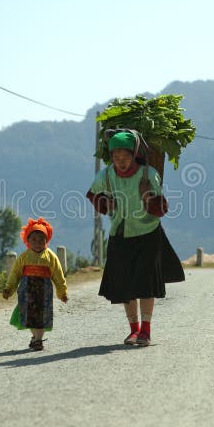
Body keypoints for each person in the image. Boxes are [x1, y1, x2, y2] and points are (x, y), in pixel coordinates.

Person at [86, 130, 185, 346]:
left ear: (134, 155)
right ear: (111, 157)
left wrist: (145, 195)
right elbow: (93, 194)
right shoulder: (106, 176)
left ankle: (146, 331)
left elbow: (161, 209)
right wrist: (106, 203)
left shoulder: (148, 175)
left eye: (125, 158)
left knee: (145, 283)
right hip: (120, 235)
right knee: (126, 285)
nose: (120, 162)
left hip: (148, 234)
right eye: (116, 158)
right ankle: (133, 330)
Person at [2, 217, 68, 351]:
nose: (38, 243)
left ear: (46, 240)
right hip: (27, 291)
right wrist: (9, 289)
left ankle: (38, 340)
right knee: (29, 314)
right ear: (28, 241)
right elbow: (15, 274)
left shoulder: (51, 257)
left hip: (44, 291)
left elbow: (58, 275)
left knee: (42, 314)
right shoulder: (24, 257)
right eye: (34, 239)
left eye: (41, 239)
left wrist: (62, 292)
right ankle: (35, 337)